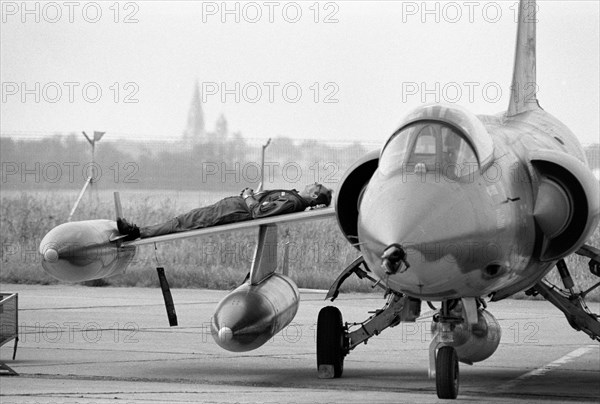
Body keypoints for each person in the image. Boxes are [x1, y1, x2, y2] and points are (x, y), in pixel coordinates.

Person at [116, 183, 333, 241]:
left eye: (317, 187)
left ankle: (137, 233)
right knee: (183, 220)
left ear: (314, 197)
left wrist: (248, 195)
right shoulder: (294, 198)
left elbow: (259, 212)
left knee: (183, 222)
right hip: (232, 207)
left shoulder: (292, 202)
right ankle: (139, 231)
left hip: (233, 211)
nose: (314, 183)